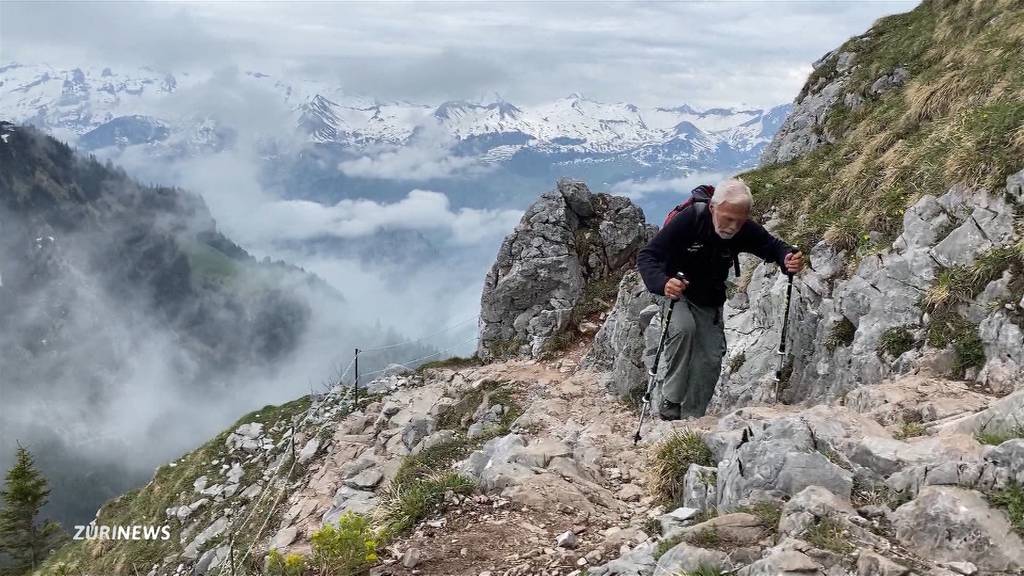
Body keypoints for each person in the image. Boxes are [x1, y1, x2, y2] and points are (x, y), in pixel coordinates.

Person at [636, 178, 804, 420]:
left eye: (740, 220)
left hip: (708, 297)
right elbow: (648, 256)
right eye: (727, 218)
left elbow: (772, 246)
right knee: (684, 329)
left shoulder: (743, 228)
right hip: (675, 290)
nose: (733, 226)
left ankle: (692, 417)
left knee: (711, 357)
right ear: (713, 209)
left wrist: (787, 257)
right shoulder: (690, 220)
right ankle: (671, 400)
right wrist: (662, 283)